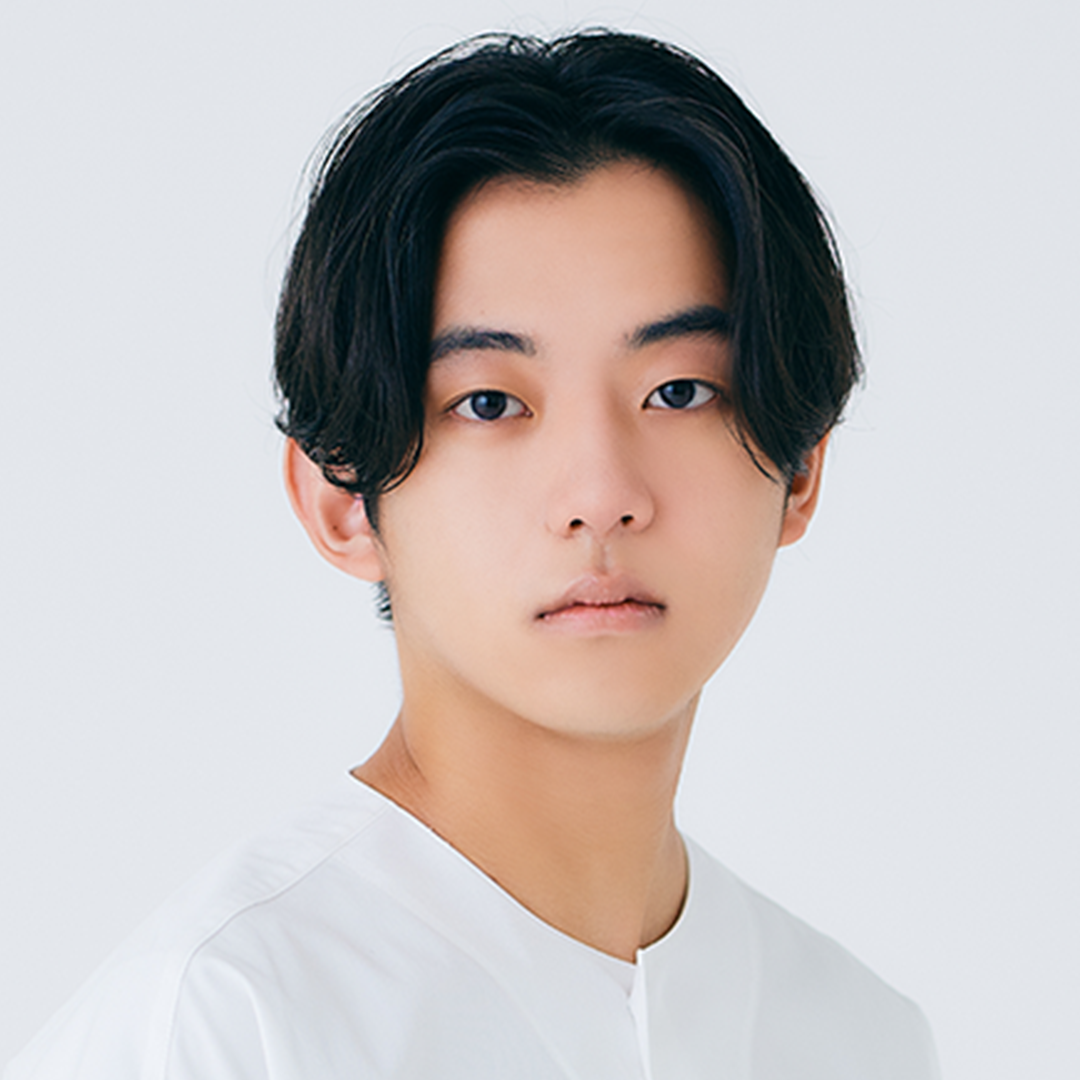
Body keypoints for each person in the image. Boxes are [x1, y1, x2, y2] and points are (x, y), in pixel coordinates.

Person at [5, 30, 940, 1080]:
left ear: (800, 469)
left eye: (678, 391)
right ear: (342, 502)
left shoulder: (862, 1038)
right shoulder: (224, 1025)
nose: (600, 495)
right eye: (490, 402)